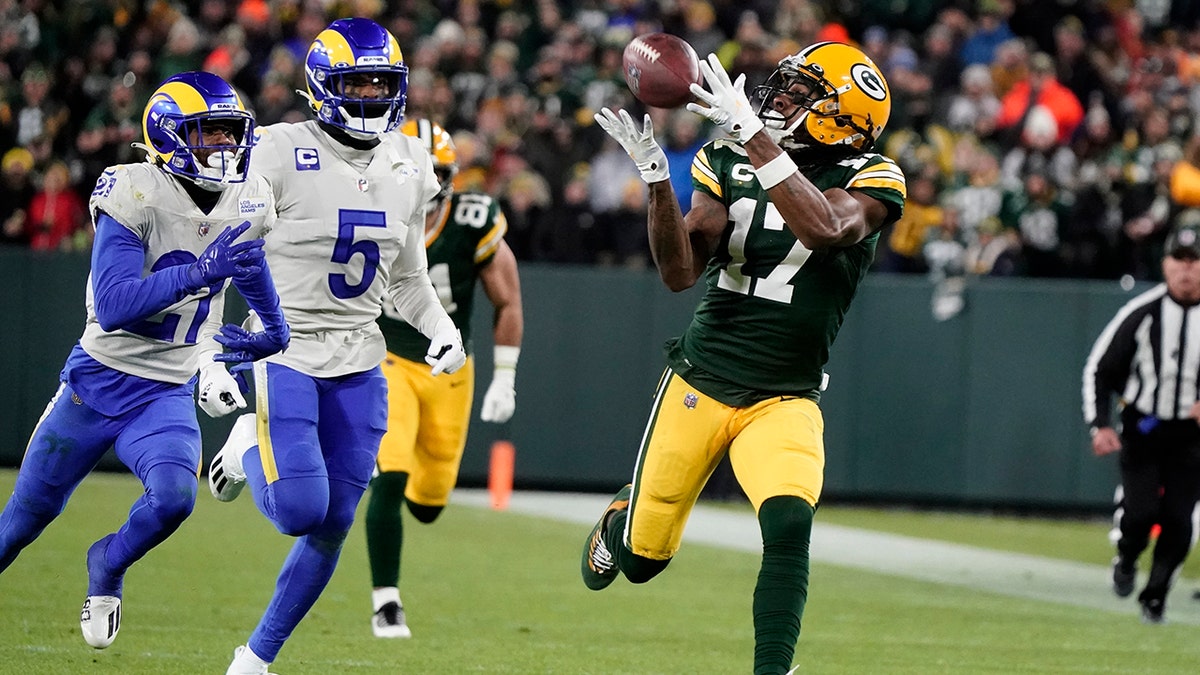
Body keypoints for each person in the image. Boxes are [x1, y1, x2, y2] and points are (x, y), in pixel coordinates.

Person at [587, 43, 906, 674]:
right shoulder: (725, 155)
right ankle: (624, 516)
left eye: (803, 89)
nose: (780, 96)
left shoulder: (873, 175)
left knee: (789, 524)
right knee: (642, 563)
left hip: (784, 394)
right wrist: (656, 180)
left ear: (843, 114)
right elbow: (680, 273)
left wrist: (761, 141)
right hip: (701, 379)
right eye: (783, 83)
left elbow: (825, 229)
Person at [204, 19, 466, 674]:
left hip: (360, 360)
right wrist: (210, 345)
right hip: (287, 349)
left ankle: (254, 659)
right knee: (299, 508)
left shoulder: (408, 162)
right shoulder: (279, 149)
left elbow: (407, 279)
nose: (375, 93)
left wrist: (442, 330)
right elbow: (222, 250)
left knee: (334, 523)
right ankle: (243, 450)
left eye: (385, 81)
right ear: (324, 86)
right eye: (361, 81)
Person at [0, 71, 288, 649]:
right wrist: (202, 272)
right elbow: (112, 306)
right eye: (208, 134)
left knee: (175, 499)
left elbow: (251, 265)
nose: (224, 147)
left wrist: (273, 328)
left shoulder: (250, 196)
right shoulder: (134, 190)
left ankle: (108, 562)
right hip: (98, 380)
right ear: (171, 136)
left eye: (231, 133)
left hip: (168, 386)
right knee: (20, 524)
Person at [364, 117, 524, 638]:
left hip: (451, 367)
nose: (427, 185)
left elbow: (508, 298)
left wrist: (505, 376)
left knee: (429, 503)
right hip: (386, 358)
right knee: (390, 473)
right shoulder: (361, 206)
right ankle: (386, 601)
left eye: (438, 174)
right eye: (418, 172)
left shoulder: (473, 217)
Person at [1082, 220, 1200, 624]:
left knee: (1179, 522)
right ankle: (1128, 555)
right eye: (1179, 259)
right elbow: (1100, 369)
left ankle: (1156, 595)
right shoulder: (1143, 312)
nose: (1187, 269)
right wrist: (1100, 424)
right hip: (1147, 427)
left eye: (1195, 260)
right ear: (1166, 264)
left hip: (1191, 436)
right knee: (1140, 513)